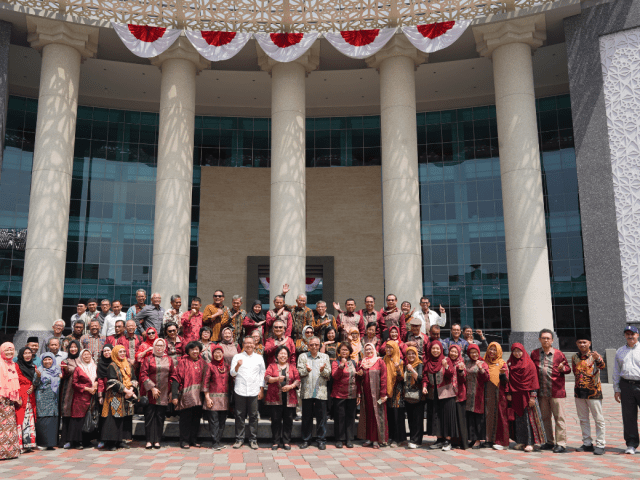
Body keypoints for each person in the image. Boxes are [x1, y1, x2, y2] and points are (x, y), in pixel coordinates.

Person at [530, 328, 571, 453]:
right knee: (545, 418)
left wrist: (562, 369)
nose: (546, 340)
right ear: (539, 339)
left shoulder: (559, 354)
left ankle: (561, 444)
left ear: (552, 340)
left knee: (560, 418)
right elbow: (531, 370)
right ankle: (549, 441)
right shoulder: (534, 353)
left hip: (557, 392)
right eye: (543, 338)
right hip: (542, 393)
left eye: (548, 338)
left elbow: (568, 369)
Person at [507, 343, 546, 452]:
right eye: (514, 351)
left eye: (519, 351)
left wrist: (533, 397)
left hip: (528, 397)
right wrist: (508, 393)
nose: (517, 353)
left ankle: (530, 443)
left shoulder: (529, 364)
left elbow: (534, 380)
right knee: (519, 420)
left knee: (529, 420)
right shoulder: (510, 364)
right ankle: (520, 441)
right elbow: (508, 380)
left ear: (523, 351)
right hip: (516, 396)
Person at [572, 334, 606, 455]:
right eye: (580, 342)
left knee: (598, 419)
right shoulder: (574, 357)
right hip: (579, 392)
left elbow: (602, 366)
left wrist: (598, 359)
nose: (582, 344)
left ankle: (601, 444)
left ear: (589, 343)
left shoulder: (595, 356)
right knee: (583, 419)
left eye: (584, 342)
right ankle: (587, 443)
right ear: (577, 344)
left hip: (594, 392)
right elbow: (574, 372)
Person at [230, 337, 265, 449]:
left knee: (253, 416)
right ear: (243, 344)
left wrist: (261, 389)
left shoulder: (259, 358)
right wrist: (238, 365)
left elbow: (262, 374)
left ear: (254, 344)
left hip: (254, 390)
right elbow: (232, 373)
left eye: (251, 343)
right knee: (239, 415)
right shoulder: (237, 356)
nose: (249, 345)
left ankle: (253, 439)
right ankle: (239, 439)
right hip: (240, 389)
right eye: (247, 343)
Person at [171, 341, 206, 449]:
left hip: (199, 396)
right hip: (186, 396)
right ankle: (184, 440)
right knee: (185, 419)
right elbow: (176, 378)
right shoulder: (183, 362)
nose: (195, 351)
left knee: (196, 419)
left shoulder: (203, 362)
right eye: (192, 349)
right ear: (188, 351)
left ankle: (193, 440)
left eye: (197, 349)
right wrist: (175, 396)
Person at [101, 345, 137, 451]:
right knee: (113, 419)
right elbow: (112, 381)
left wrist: (131, 390)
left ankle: (120, 440)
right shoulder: (112, 365)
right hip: (115, 396)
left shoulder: (128, 365)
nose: (122, 354)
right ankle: (111, 443)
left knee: (124, 419)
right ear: (115, 353)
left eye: (124, 351)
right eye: (120, 352)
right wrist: (125, 391)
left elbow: (134, 379)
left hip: (127, 396)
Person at [297, 336, 331, 450]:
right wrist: (306, 370)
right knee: (306, 417)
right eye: (311, 345)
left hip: (320, 391)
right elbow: (300, 372)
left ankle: (321, 440)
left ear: (320, 345)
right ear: (308, 346)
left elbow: (328, 374)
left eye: (316, 344)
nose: (314, 347)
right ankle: (306, 439)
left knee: (322, 417)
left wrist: (322, 371)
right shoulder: (303, 356)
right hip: (307, 391)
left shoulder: (325, 357)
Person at [422, 341, 456, 451]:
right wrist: (424, 386)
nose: (435, 351)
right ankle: (439, 440)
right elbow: (425, 377)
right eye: (433, 349)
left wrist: (446, 367)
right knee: (436, 416)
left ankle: (447, 441)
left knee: (446, 417)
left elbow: (451, 375)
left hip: (445, 393)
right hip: (433, 393)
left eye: (437, 349)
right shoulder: (428, 362)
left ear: (441, 349)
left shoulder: (446, 360)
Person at [140, 338, 173, 449]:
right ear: (154, 346)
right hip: (150, 393)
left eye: (161, 345)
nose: (159, 348)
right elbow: (143, 374)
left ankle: (157, 440)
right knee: (149, 416)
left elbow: (173, 376)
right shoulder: (148, 359)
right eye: (157, 345)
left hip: (164, 392)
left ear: (164, 347)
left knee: (160, 417)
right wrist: (152, 387)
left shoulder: (169, 359)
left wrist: (171, 391)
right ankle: (149, 440)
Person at [265, 346, 300, 450]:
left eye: (285, 354)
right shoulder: (271, 366)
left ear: (288, 356)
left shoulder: (293, 367)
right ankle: (275, 441)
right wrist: (276, 379)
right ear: (276, 355)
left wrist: (291, 386)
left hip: (290, 397)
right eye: (281, 353)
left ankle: (286, 441)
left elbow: (297, 380)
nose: (283, 355)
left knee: (288, 420)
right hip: (275, 397)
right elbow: (266, 377)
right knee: (275, 420)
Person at [613, 324, 640, 455]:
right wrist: (616, 389)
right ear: (625, 335)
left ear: (637, 335)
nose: (630, 336)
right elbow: (616, 371)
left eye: (632, 334)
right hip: (626, 386)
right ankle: (631, 444)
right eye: (627, 334)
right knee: (628, 417)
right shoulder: (620, 351)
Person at [357, 343, 388, 448]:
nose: (369, 351)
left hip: (379, 396)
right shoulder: (362, 363)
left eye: (370, 349)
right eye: (366, 349)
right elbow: (359, 379)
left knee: (378, 415)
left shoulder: (379, 361)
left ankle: (377, 439)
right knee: (368, 415)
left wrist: (383, 394)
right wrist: (360, 375)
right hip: (367, 396)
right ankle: (369, 438)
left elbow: (384, 378)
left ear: (374, 350)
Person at [331, 342, 358, 449]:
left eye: (346, 350)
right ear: (338, 351)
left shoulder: (354, 363)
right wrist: (341, 366)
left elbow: (357, 379)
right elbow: (335, 376)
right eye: (342, 350)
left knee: (350, 417)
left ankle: (349, 439)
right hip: (339, 394)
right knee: (339, 417)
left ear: (350, 352)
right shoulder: (335, 362)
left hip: (351, 394)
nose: (344, 352)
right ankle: (339, 439)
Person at [69, 349, 97, 449]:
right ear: (81, 357)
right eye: (84, 355)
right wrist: (87, 389)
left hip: (92, 396)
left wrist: (95, 385)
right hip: (81, 397)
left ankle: (87, 440)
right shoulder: (78, 368)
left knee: (89, 418)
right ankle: (77, 442)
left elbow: (98, 378)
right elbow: (74, 384)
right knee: (79, 419)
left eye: (88, 354)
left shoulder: (95, 366)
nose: (86, 356)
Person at [203, 345, 230, 451]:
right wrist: (207, 398)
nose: (218, 355)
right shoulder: (209, 366)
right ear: (212, 354)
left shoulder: (227, 366)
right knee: (214, 421)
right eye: (215, 353)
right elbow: (205, 383)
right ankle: (214, 442)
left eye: (220, 352)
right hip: (213, 398)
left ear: (223, 354)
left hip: (224, 399)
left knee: (222, 420)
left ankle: (218, 441)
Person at [484, 342, 509, 450]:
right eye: (490, 349)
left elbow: (506, 381)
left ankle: (499, 440)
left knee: (499, 416)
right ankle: (488, 439)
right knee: (488, 415)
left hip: (499, 393)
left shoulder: (502, 363)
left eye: (495, 350)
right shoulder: (484, 362)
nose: (492, 352)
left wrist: (502, 374)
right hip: (487, 393)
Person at [35, 352, 61, 450]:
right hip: (42, 398)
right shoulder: (39, 370)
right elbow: (35, 383)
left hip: (53, 399)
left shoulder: (57, 370)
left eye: (49, 359)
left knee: (52, 420)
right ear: (42, 361)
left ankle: (51, 443)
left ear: (53, 360)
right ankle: (42, 443)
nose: (47, 361)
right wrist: (37, 376)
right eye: (45, 359)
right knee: (43, 420)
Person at [465, 344, 489, 448]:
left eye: (475, 352)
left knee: (478, 418)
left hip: (478, 394)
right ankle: (473, 438)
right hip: (468, 395)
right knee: (471, 417)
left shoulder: (482, 363)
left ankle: (479, 439)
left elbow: (486, 378)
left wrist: (481, 368)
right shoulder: (468, 363)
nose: (474, 354)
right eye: (471, 352)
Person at [0, 343, 21, 460]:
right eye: (6, 351)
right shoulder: (0, 363)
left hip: (10, 400)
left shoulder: (12, 364)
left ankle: (10, 452)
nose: (9, 353)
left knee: (10, 426)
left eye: (11, 351)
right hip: (1, 399)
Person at [383, 341, 406, 447]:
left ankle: (398, 439)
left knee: (397, 415)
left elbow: (401, 378)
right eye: (387, 347)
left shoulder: (400, 361)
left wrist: (397, 369)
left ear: (395, 349)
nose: (388, 350)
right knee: (390, 415)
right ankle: (391, 437)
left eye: (390, 348)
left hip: (397, 392)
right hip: (387, 392)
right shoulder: (384, 359)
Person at [15, 347, 37, 453]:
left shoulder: (34, 366)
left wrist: (33, 386)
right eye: (25, 353)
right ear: (21, 355)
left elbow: (36, 380)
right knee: (20, 419)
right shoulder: (17, 366)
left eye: (29, 353)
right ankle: (20, 445)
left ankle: (29, 444)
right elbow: (15, 381)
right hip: (21, 396)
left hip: (30, 397)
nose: (28, 355)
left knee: (29, 420)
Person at [60, 340, 80, 448]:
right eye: (71, 347)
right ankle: (65, 440)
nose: (73, 349)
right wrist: (66, 370)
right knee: (67, 413)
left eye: (75, 347)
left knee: (78, 414)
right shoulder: (65, 361)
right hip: (68, 390)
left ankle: (77, 440)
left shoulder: (82, 360)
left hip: (80, 391)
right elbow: (63, 375)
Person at [448, 344, 468, 450]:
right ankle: (454, 442)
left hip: (460, 394)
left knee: (461, 418)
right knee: (453, 419)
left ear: (459, 353)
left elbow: (464, 379)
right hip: (449, 393)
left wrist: (460, 371)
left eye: (455, 352)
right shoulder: (446, 362)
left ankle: (464, 442)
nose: (453, 353)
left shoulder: (461, 363)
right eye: (452, 351)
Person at [403, 346, 424, 449]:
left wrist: (412, 370)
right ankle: (412, 438)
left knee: (418, 419)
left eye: (413, 354)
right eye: (409, 354)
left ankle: (417, 440)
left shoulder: (419, 365)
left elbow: (420, 379)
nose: (411, 356)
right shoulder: (406, 365)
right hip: (408, 396)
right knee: (411, 418)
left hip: (418, 396)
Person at [95, 344, 112, 449]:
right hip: (105, 393)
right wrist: (100, 396)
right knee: (104, 416)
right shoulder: (100, 364)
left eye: (109, 350)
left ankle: (113, 439)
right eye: (105, 351)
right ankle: (102, 439)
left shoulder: (115, 362)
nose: (107, 353)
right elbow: (100, 381)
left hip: (115, 394)